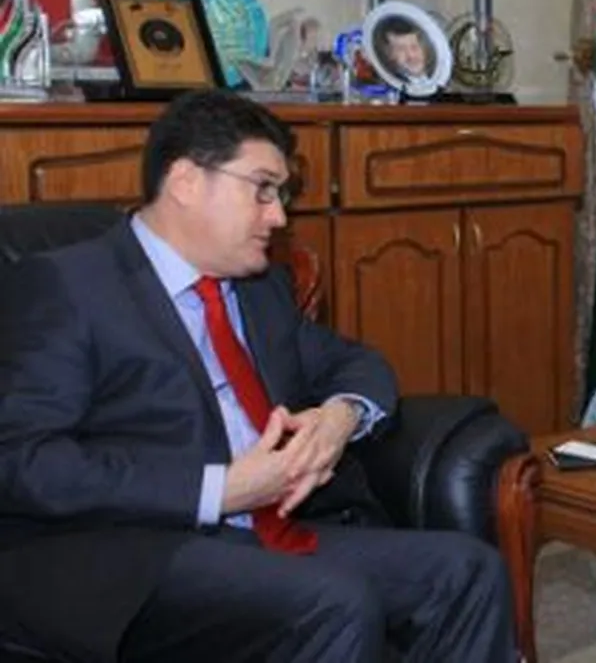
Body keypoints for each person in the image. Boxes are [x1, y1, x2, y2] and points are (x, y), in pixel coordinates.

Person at [0, 90, 516, 662]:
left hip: (269, 529)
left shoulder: (259, 287)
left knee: (468, 572)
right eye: (263, 189)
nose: (279, 216)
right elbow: (22, 460)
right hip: (141, 551)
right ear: (186, 181)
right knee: (334, 601)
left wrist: (340, 416)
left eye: (281, 194)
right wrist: (219, 490)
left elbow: (354, 362)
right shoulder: (68, 286)